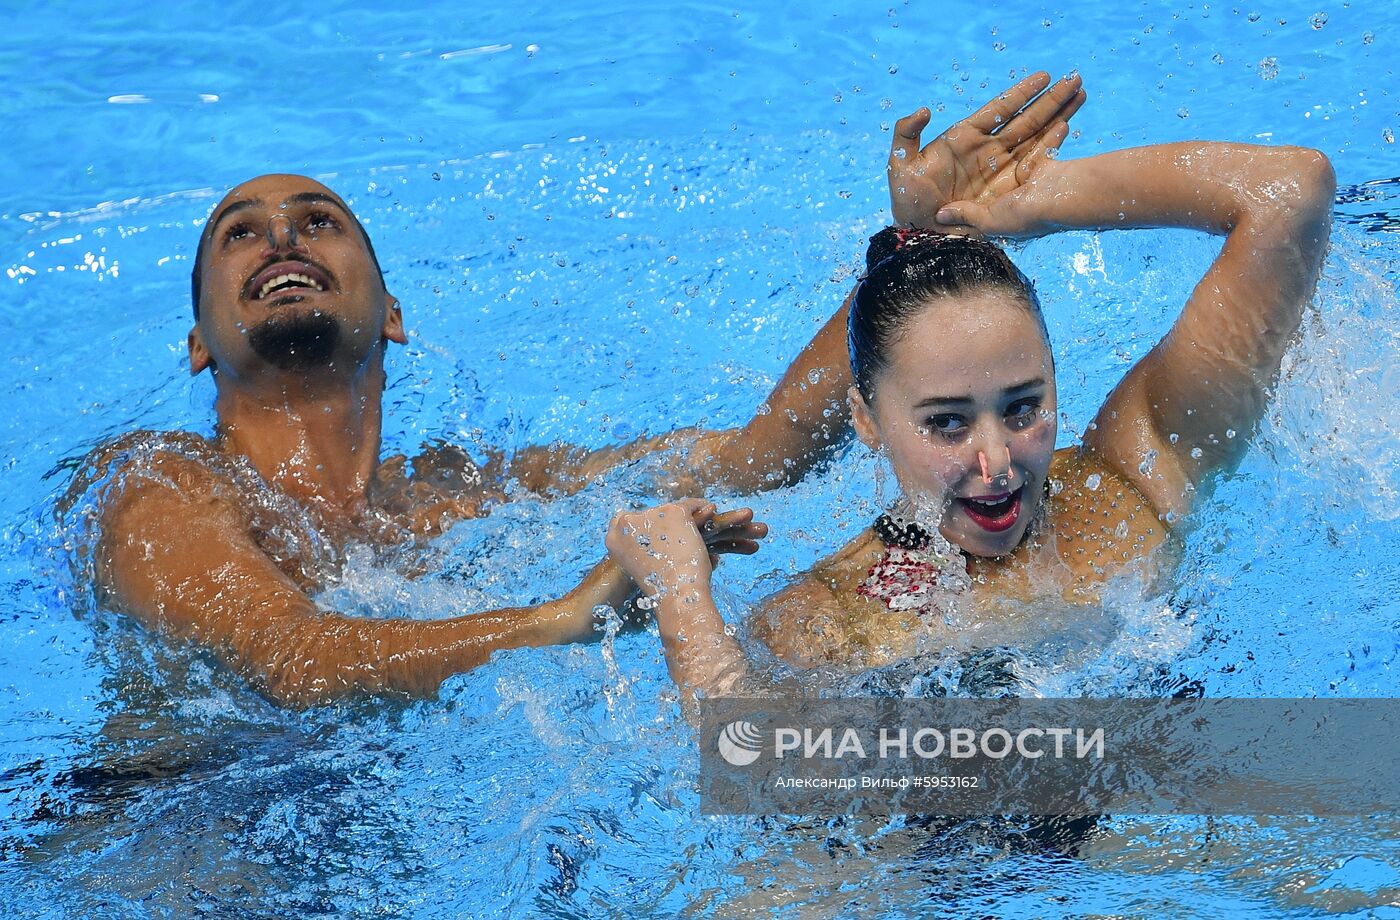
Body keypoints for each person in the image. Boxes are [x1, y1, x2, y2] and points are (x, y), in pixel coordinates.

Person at [72, 72, 1087, 707]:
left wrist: (916, 249)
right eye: (240, 232)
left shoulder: (463, 492)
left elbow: (758, 454)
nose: (283, 235)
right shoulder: (159, 482)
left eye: (318, 219)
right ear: (198, 344)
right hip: (182, 839)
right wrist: (566, 617)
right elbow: (290, 660)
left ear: (392, 314)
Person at [605, 72, 1335, 699]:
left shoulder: (1136, 481)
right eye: (946, 424)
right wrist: (682, 597)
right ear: (865, 419)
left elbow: (1290, 193)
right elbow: (754, 768)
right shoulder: (833, 614)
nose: (997, 463)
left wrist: (1050, 203)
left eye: (1022, 408)